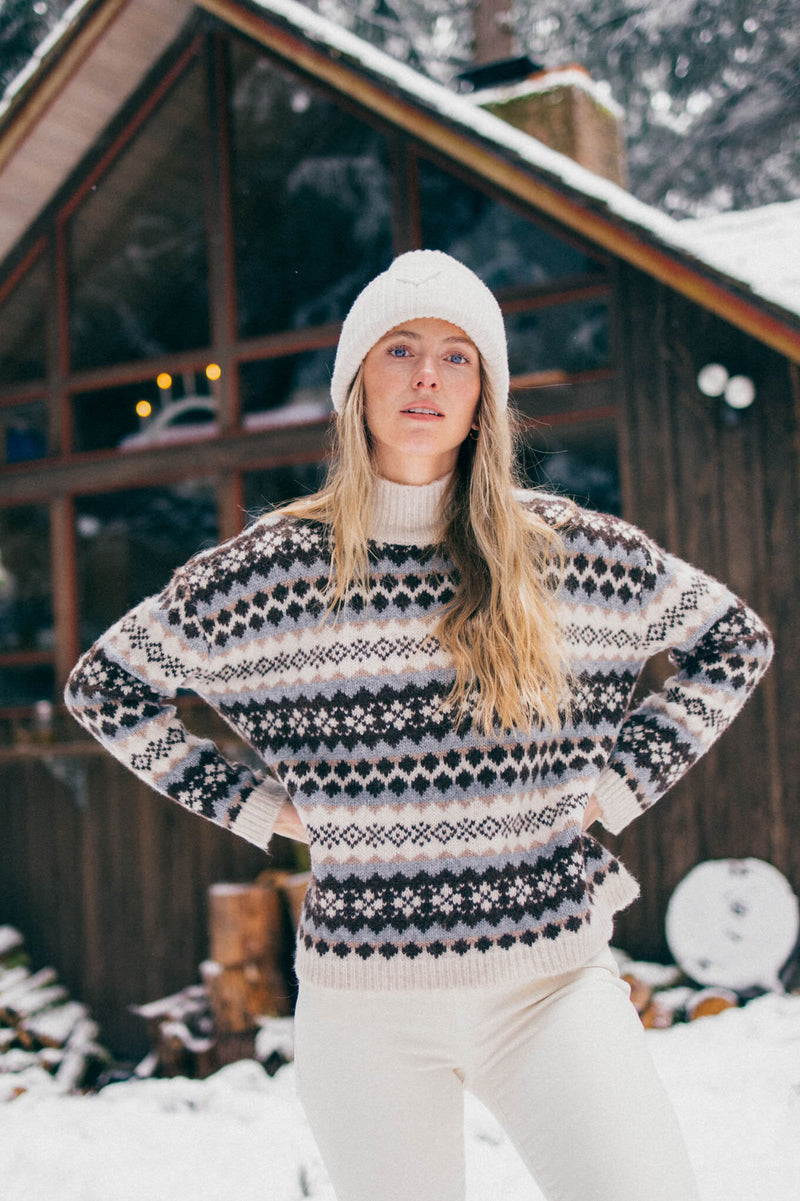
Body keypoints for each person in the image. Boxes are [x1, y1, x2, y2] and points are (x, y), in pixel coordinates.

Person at [65, 250, 773, 1201]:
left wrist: (614, 788)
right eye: (400, 349)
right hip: (367, 1009)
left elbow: (733, 642)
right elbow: (107, 687)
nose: (428, 375)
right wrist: (263, 808)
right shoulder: (271, 575)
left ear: (485, 397)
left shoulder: (574, 554)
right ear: (356, 383)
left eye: (457, 355)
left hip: (549, 986)